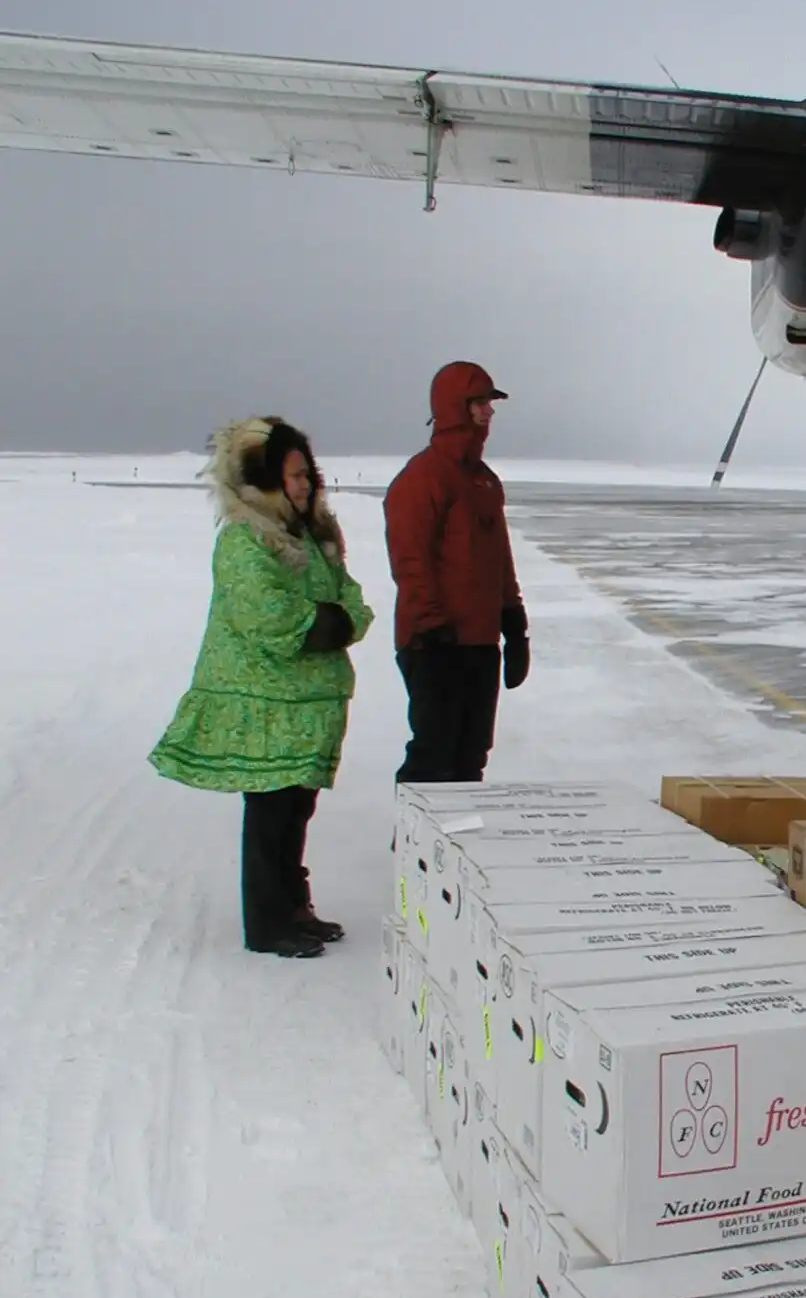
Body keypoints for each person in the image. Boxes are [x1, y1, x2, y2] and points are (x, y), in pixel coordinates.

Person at [150, 417, 373, 957]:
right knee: (272, 812)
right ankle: (267, 924)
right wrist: (326, 623)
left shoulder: (313, 538)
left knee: (295, 809)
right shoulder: (244, 539)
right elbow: (268, 616)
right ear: (266, 478)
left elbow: (352, 600)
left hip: (307, 704)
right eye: (294, 475)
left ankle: (293, 907)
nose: (305, 485)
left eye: (308, 475)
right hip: (266, 703)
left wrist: (340, 619)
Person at [383, 361, 530, 783]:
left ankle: (460, 827)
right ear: (454, 407)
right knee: (434, 753)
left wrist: (513, 622)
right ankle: (416, 827)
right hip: (433, 642)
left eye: (489, 402)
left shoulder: (485, 482)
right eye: (479, 402)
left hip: (480, 641)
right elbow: (410, 560)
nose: (489, 410)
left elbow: (499, 557)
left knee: (470, 756)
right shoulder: (423, 477)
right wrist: (431, 628)